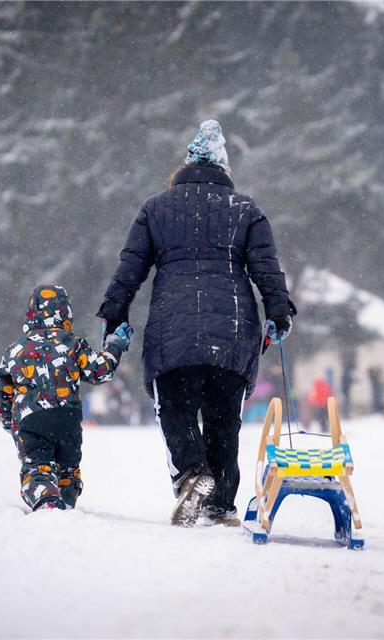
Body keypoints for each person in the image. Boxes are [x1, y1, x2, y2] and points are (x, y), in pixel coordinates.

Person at [97, 119, 295, 527]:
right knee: (225, 417)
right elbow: (267, 270)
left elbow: (130, 268)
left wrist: (115, 312)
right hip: (234, 331)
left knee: (175, 406)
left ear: (184, 168)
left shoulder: (155, 208)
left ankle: (192, 474)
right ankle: (220, 504)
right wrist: (279, 312)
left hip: (174, 326)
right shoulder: (246, 209)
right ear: (224, 171)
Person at [0, 285, 132, 511]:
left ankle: (46, 499)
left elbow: (2, 391)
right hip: (67, 419)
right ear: (65, 312)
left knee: (37, 466)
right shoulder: (73, 343)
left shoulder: (15, 350)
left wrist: (9, 421)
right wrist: (114, 346)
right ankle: (66, 500)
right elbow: (100, 371)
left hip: (32, 420)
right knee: (67, 467)